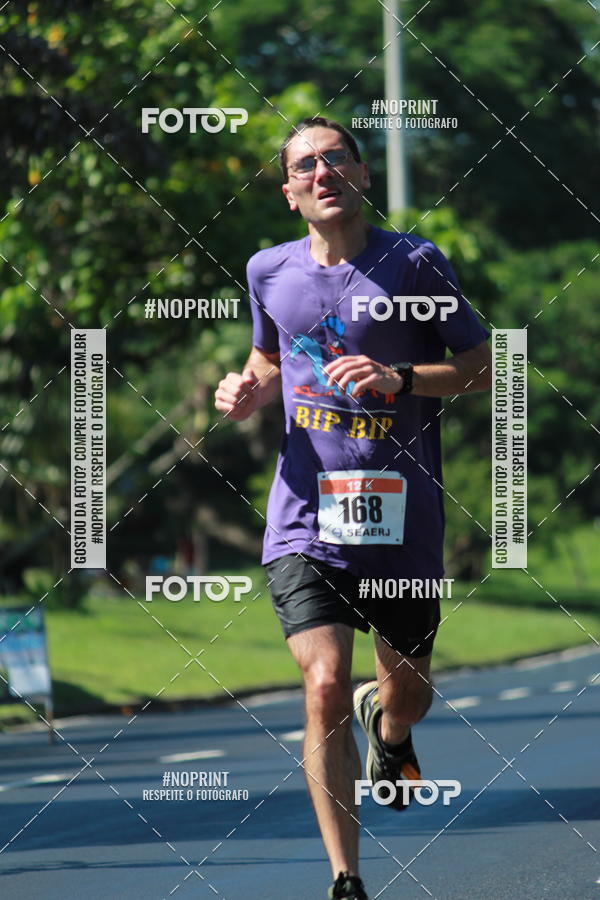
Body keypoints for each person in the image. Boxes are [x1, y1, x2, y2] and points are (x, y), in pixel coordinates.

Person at [214, 116, 491, 900]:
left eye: (337, 158)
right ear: (290, 194)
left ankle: (391, 727)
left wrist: (401, 380)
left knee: (409, 694)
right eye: (305, 165)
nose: (322, 171)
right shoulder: (269, 270)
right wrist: (245, 390)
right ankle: (346, 879)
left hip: (402, 520)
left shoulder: (414, 264)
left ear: (363, 176)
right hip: (306, 517)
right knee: (323, 683)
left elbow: (481, 370)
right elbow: (269, 360)